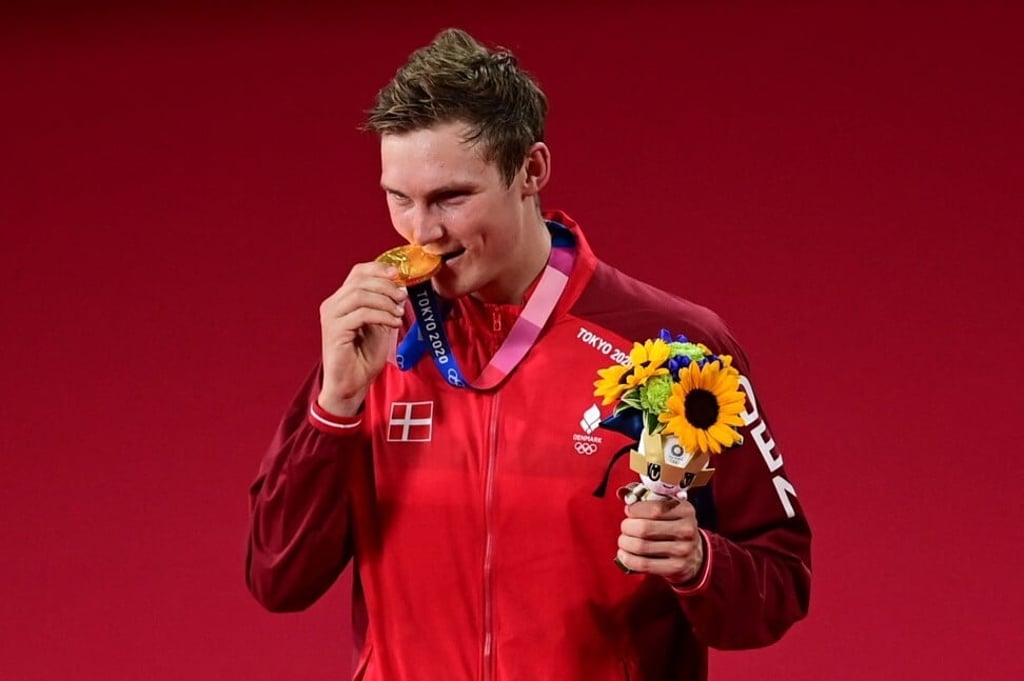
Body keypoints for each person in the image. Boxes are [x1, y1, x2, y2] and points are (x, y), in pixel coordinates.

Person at [246, 27, 811, 681]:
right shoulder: (377, 345)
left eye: (451, 198)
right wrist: (335, 404)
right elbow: (278, 575)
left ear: (531, 170)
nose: (420, 231)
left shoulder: (675, 349)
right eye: (399, 198)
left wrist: (700, 562)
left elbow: (783, 576)